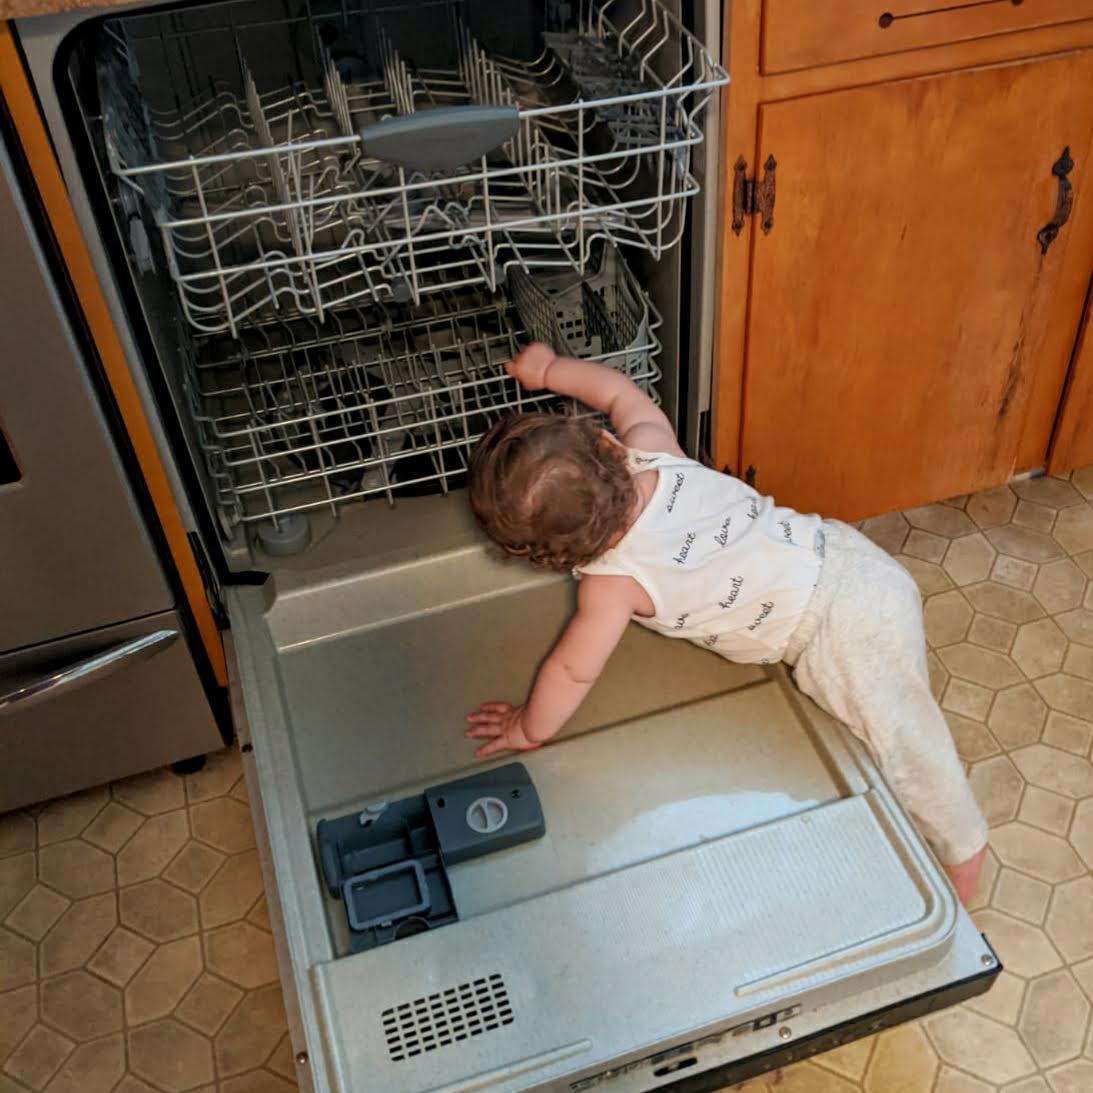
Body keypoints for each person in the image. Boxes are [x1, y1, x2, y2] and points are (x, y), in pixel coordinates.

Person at [464, 343, 988, 904]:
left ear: (551, 559)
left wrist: (528, 729)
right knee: (901, 706)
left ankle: (963, 853)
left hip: (835, 630)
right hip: (840, 552)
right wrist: (548, 371)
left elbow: (571, 671)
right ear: (607, 446)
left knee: (908, 745)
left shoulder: (612, 585)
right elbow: (619, 392)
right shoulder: (652, 449)